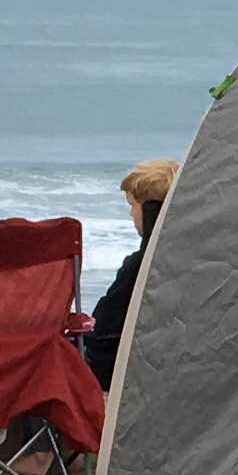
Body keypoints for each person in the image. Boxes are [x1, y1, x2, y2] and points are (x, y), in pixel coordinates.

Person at [83, 154, 175, 389]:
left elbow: (103, 335)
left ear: (150, 210)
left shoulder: (139, 267)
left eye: (133, 205)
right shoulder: (193, 258)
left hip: (120, 374)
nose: (130, 214)